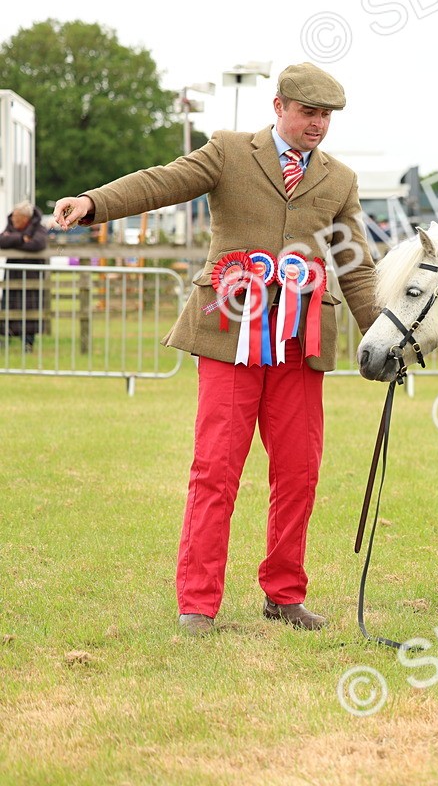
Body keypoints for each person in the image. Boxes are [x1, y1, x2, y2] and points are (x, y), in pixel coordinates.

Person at [53, 62, 380, 637]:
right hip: (229, 333)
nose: (319, 125)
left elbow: (355, 265)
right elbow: (161, 181)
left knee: (300, 472)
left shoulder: (340, 178)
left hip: (302, 343)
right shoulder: (229, 151)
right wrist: (93, 202)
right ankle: (198, 603)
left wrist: (380, 335)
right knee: (216, 470)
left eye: (327, 116)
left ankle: (284, 595)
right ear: (279, 107)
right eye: (309, 113)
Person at [0, 201, 50, 352]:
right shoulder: (11, 226)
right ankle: (5, 338)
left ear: (25, 218)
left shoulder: (38, 228)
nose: (13, 221)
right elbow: (2, 240)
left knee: (30, 308)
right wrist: (22, 239)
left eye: (17, 218)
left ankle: (28, 343)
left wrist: (13, 240)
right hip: (13, 274)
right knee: (9, 305)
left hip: (32, 275)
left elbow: (38, 244)